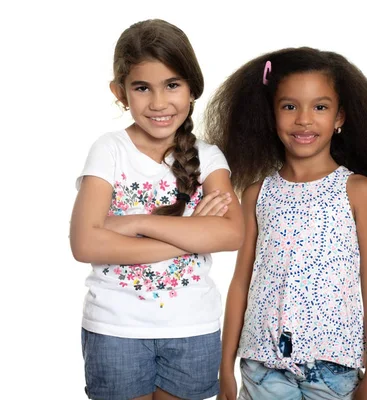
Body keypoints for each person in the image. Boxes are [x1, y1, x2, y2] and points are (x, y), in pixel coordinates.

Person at [204, 47, 367, 400]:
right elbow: (241, 283)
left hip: (334, 368)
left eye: (320, 107)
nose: (304, 120)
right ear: (272, 114)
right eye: (289, 106)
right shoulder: (257, 194)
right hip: (262, 366)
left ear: (340, 117)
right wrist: (225, 369)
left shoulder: (358, 191)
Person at [69, 19, 244, 400]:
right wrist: (190, 234)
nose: (159, 103)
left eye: (172, 85)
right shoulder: (109, 150)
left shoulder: (209, 157)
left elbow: (232, 234)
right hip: (115, 329)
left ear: (193, 88)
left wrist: (132, 224)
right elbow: (85, 244)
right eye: (142, 88)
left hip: (193, 327)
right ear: (120, 92)